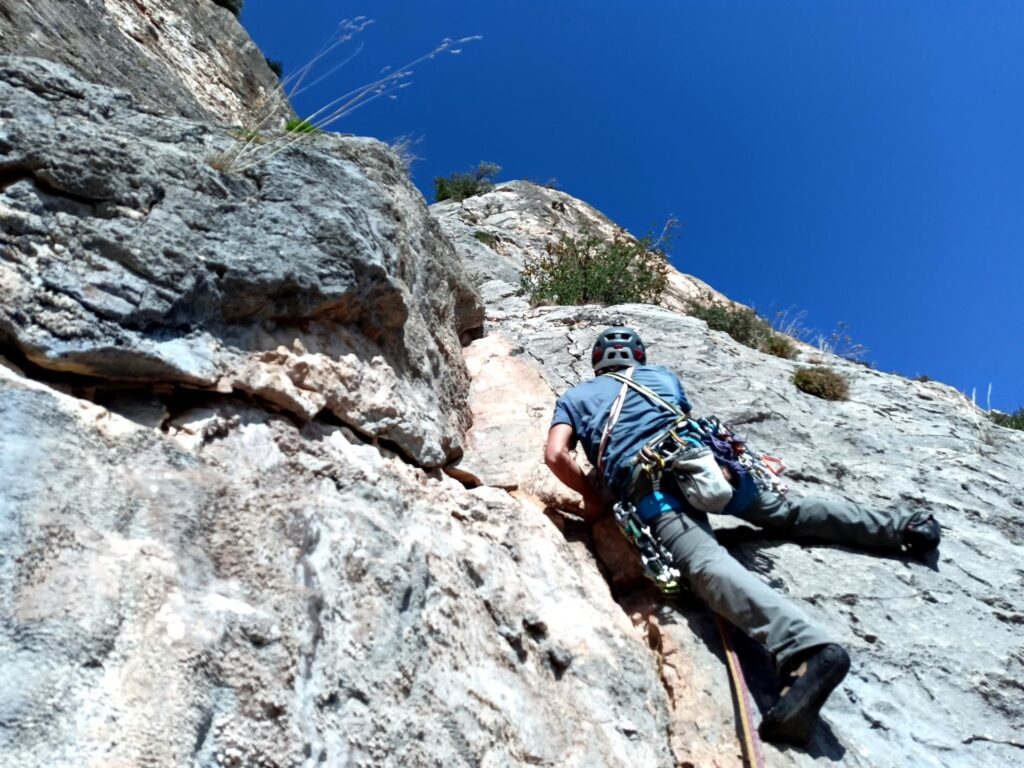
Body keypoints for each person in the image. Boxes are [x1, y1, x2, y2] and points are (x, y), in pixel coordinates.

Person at [544, 326, 941, 744]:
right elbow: (686, 421)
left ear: (596, 363)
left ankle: (806, 650)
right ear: (638, 357)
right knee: (788, 513)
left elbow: (556, 455)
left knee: (704, 563)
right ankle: (904, 526)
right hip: (712, 467)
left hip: (653, 488)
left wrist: (595, 497)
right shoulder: (661, 377)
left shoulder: (575, 398)